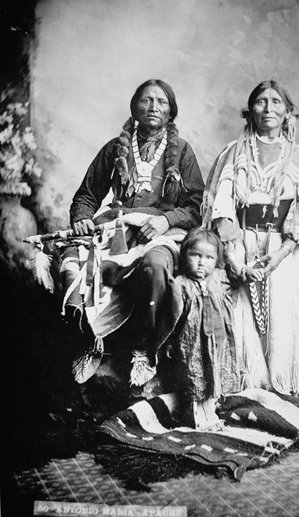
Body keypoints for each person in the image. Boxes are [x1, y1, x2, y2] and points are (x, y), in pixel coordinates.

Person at [63, 79, 204, 390]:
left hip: (162, 235)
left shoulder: (182, 151)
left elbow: (195, 207)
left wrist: (167, 220)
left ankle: (145, 349)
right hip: (120, 230)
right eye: (147, 100)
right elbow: (86, 195)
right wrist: (83, 219)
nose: (153, 107)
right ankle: (93, 343)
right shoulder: (117, 148)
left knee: (155, 266)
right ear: (134, 107)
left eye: (161, 102)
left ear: (171, 113)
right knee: (84, 265)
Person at [202, 80, 299, 406]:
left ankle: (284, 387)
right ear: (251, 111)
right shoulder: (235, 152)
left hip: (283, 249)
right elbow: (222, 207)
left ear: (288, 112)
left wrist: (280, 255)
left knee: (283, 319)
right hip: (241, 245)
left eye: (276, 102)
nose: (269, 108)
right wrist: (234, 260)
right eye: (261, 102)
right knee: (242, 317)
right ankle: (246, 387)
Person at [163, 228, 240, 430]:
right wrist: (170, 341)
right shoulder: (180, 284)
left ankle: (211, 410)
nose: (201, 262)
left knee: (215, 371)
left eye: (208, 257)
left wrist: (234, 260)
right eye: (195, 255)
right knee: (195, 374)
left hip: (217, 338)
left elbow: (238, 280)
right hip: (192, 341)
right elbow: (171, 316)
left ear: (216, 260)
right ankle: (197, 417)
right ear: (184, 255)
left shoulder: (220, 278)